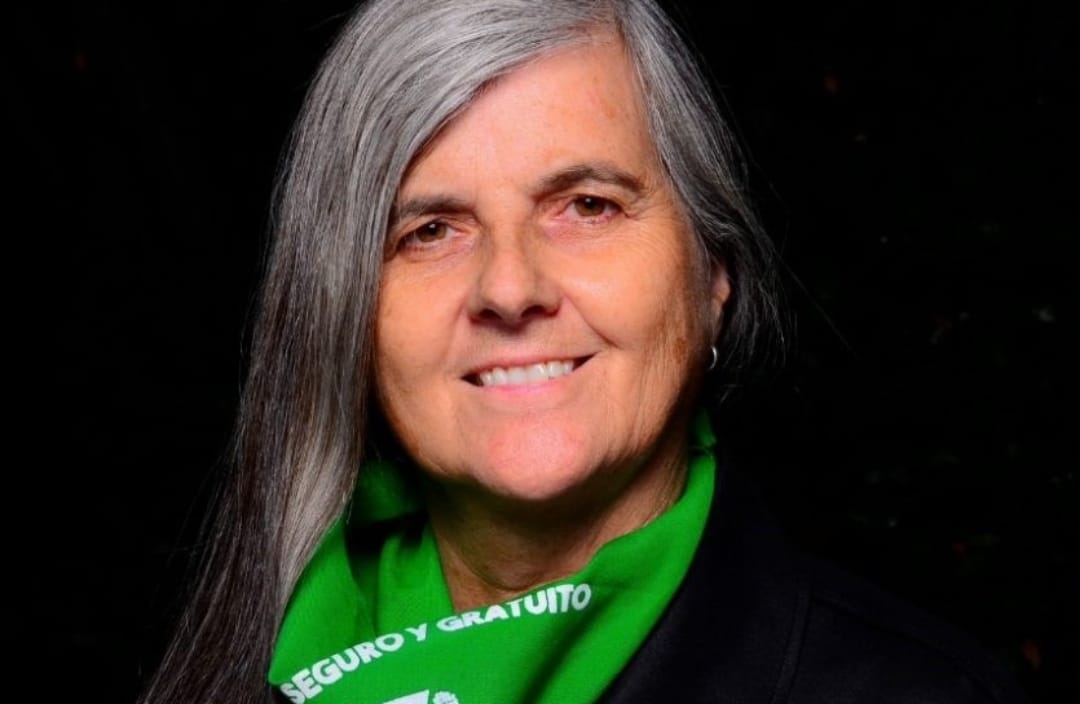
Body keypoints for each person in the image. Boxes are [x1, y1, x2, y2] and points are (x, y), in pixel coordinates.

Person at [138, 1, 1030, 702]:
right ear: (344, 312)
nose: (509, 287)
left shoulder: (918, 692)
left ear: (712, 272)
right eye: (431, 230)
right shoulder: (238, 669)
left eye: (588, 206)